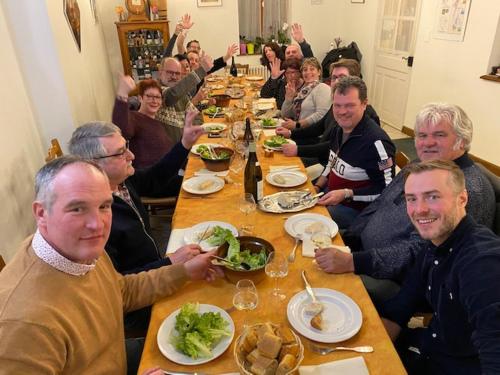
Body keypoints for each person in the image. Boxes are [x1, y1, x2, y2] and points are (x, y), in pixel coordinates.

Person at [0, 156, 222, 374]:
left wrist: (183, 272)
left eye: (104, 206)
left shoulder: (76, 249)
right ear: (41, 213)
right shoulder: (23, 325)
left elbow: (121, 292)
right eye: (77, 208)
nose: (97, 224)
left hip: (114, 353)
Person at [315, 103, 495, 307]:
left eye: (439, 135)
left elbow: (422, 253)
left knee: (321, 293)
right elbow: (381, 203)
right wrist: (351, 239)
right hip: (366, 253)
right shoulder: (421, 166)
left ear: (462, 141)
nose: (428, 143)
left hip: (398, 279)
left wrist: (355, 261)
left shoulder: (467, 190)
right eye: (422, 135)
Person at [381, 160, 500, 374]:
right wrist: (378, 345)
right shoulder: (437, 241)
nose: (420, 210)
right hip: (431, 348)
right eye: (412, 199)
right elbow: (406, 299)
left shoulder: (482, 264)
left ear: (462, 198)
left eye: (432, 196)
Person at [69, 113, 204, 275]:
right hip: (149, 283)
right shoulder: (95, 222)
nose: (131, 156)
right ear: (93, 165)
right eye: (120, 153)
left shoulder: (122, 181)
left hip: (156, 263)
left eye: (126, 147)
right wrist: (170, 262)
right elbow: (121, 284)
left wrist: (184, 144)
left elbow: (155, 177)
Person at [313, 76, 395, 229]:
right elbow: (332, 162)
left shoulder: (377, 143)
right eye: (337, 105)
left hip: (357, 211)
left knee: (309, 219)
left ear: (364, 104)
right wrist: (317, 185)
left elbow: (387, 191)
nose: (342, 112)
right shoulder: (339, 128)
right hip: (331, 194)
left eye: (349, 105)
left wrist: (347, 193)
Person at [276, 59, 380, 167]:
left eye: (342, 77)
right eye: (334, 78)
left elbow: (336, 147)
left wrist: (298, 150)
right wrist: (291, 133)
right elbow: (318, 127)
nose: (336, 82)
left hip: (332, 165)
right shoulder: (335, 106)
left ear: (355, 80)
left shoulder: (363, 115)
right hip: (325, 159)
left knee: (283, 164)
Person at [112, 75, 173, 168]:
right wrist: (122, 94)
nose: (154, 101)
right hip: (149, 178)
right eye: (149, 96)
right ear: (140, 98)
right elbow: (122, 130)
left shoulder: (157, 122)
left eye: (158, 97)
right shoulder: (134, 117)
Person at [155, 56, 213, 142]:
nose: (174, 77)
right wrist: (202, 70)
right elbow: (172, 94)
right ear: (160, 73)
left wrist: (193, 131)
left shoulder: (181, 94)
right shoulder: (157, 91)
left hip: (185, 145)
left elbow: (196, 116)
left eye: (177, 73)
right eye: (170, 72)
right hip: (169, 150)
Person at [260, 23, 313, 108]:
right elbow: (264, 95)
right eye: (288, 53)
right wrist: (273, 78)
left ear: (301, 55)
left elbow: (311, 60)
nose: (291, 54)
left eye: (294, 52)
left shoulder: (307, 71)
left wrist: (302, 43)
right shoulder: (283, 75)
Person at [280, 57, 332, 130]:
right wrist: (288, 98)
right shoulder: (304, 91)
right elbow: (285, 115)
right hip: (299, 132)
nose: (308, 72)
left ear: (319, 72)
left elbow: (321, 114)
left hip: (312, 135)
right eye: (305, 70)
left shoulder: (322, 88)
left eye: (312, 69)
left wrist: (297, 125)